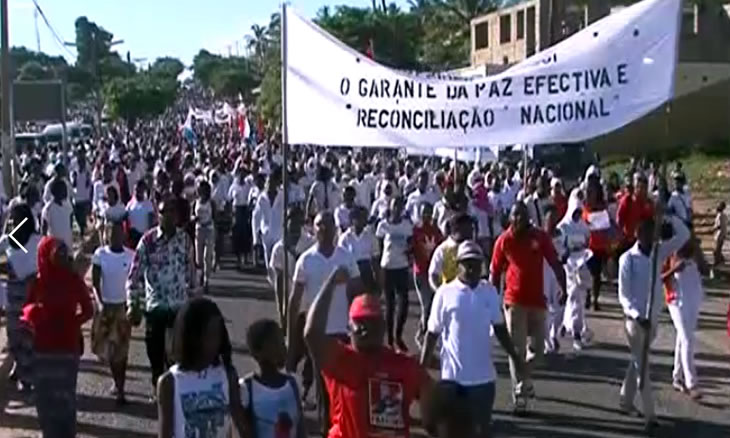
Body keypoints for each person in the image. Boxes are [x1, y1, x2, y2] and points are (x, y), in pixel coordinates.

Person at [304, 269, 433, 438]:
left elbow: (436, 405)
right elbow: (312, 334)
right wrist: (331, 284)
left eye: (372, 321)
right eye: (359, 322)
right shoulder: (340, 360)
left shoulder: (405, 365)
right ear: (348, 328)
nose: (366, 328)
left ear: (383, 327)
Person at [421, 241, 524, 438]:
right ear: (458, 264)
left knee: (481, 431)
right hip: (452, 381)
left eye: (476, 264)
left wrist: (515, 357)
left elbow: (500, 328)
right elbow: (432, 334)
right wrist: (420, 369)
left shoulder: (489, 292)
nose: (471, 268)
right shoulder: (445, 293)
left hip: (483, 381)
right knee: (452, 432)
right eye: (466, 263)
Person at [490, 202, 566, 415]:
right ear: (510, 218)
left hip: (537, 302)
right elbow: (495, 272)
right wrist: (491, 300)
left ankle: (526, 378)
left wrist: (563, 286)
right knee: (517, 351)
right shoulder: (504, 240)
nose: (519, 220)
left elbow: (554, 261)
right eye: (515, 216)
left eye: (523, 216)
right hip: (514, 302)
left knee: (539, 351)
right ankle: (519, 393)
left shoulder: (540, 237)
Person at [617, 209, 689, 435]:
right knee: (643, 366)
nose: (650, 237)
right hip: (635, 322)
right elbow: (623, 296)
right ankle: (651, 415)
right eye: (646, 233)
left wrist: (668, 216)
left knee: (638, 360)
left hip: (654, 319)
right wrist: (638, 315)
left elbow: (684, 235)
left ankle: (625, 401)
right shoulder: (627, 259)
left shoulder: (659, 251)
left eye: (653, 232)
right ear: (638, 235)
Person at [287, 211, 362, 419]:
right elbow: (295, 299)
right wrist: (291, 330)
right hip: (318, 333)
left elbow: (358, 287)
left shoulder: (345, 256)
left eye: (329, 225)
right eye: (320, 225)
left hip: (342, 330)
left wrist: (348, 281)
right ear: (314, 229)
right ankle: (326, 428)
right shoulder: (306, 260)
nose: (325, 229)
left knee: (344, 384)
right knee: (323, 388)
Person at [22, 236, 94, 437]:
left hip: (67, 348)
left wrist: (70, 322)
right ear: (46, 255)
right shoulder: (37, 282)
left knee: (65, 400)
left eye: (64, 251)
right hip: (43, 350)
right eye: (58, 252)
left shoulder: (73, 280)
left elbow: (89, 310)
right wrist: (37, 316)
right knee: (45, 401)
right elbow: (25, 312)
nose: (63, 255)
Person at [127, 197, 197, 395]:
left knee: (179, 355)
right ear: (158, 215)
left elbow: (191, 270)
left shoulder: (184, 240)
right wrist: (134, 303)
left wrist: (194, 298)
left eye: (172, 212)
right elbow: (134, 275)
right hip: (156, 306)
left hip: (179, 306)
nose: (169, 217)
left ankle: (178, 390)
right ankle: (157, 387)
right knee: (155, 354)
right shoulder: (148, 241)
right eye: (164, 212)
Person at [157, 297, 246, 438]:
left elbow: (239, 425)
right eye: (209, 335)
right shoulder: (170, 382)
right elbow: (165, 433)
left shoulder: (228, 375)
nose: (215, 342)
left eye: (218, 335)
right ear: (191, 337)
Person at [90, 221, 135, 405]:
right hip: (105, 308)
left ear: (123, 235)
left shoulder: (131, 256)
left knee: (121, 351)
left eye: (117, 233)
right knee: (107, 350)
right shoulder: (100, 255)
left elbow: (134, 283)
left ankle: (121, 388)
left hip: (122, 308)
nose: (114, 237)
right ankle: (117, 383)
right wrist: (99, 303)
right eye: (110, 233)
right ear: (106, 235)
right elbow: (95, 282)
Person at [241, 319, 306, 438]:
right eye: (276, 343)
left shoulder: (293, 384)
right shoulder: (247, 389)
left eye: (282, 341)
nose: (283, 347)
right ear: (258, 352)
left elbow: (300, 429)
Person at [0, 203, 41, 392]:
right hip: (13, 298)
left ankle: (27, 379)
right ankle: (21, 368)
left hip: (33, 298)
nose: (13, 222)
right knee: (14, 338)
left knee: (29, 339)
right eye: (12, 220)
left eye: (17, 219)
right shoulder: (6, 242)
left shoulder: (37, 240)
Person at [663, 238, 705, 400]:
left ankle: (677, 376)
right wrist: (673, 269)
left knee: (683, 338)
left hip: (693, 297)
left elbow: (706, 270)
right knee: (688, 338)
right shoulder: (668, 250)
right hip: (675, 300)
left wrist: (698, 253)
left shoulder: (694, 249)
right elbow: (659, 277)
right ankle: (691, 383)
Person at [375, 197, 414, 352]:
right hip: (387, 267)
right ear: (390, 208)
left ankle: (398, 335)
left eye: (400, 206)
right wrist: (378, 268)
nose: (397, 209)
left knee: (404, 303)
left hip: (402, 267)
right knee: (390, 305)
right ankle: (390, 339)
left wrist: (409, 250)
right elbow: (379, 248)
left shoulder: (406, 225)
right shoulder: (383, 225)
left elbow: (411, 244)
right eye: (395, 206)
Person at [557, 198, 594, 352]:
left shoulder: (583, 226)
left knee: (579, 297)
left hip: (581, 264)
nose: (577, 215)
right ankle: (576, 332)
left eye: (580, 212)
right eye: (575, 212)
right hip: (569, 267)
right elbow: (560, 247)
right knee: (573, 296)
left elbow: (586, 241)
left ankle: (567, 324)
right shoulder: (563, 227)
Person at [411, 203, 443, 348]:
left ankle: (421, 332)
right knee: (427, 305)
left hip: (434, 273)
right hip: (420, 273)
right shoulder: (415, 231)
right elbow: (410, 248)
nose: (427, 216)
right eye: (424, 213)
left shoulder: (436, 231)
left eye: (429, 213)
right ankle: (423, 338)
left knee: (431, 305)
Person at [269, 207, 305, 328]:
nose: (296, 226)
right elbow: (279, 284)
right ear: (285, 223)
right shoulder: (279, 249)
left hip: (308, 302)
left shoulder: (310, 244)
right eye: (292, 221)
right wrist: (282, 312)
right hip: (290, 301)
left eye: (299, 222)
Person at [582, 176, 611, 311]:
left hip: (599, 245)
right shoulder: (583, 206)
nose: (590, 194)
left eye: (592, 191)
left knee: (596, 275)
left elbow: (606, 226)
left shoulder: (602, 207)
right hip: (587, 245)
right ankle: (588, 296)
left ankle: (595, 299)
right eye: (589, 191)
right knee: (587, 274)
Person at [338, 206, 379, 293]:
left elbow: (375, 260)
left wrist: (378, 280)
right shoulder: (345, 238)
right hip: (351, 273)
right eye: (360, 218)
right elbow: (340, 260)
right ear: (353, 219)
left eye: (365, 217)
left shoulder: (370, 236)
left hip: (367, 273)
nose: (364, 220)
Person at [429, 213, 473, 292]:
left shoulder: (472, 247)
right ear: (456, 230)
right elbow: (433, 275)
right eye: (468, 229)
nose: (471, 233)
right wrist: (440, 292)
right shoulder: (443, 250)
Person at [229, 168, 254, 269]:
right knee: (237, 235)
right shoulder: (233, 187)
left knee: (246, 234)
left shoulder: (248, 186)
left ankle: (246, 256)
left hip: (245, 209)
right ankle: (238, 258)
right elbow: (229, 199)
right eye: (240, 174)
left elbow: (251, 198)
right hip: (237, 210)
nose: (242, 176)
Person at [194, 180, 216, 292]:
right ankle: (201, 275)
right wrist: (194, 219)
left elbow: (214, 216)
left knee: (207, 256)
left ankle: (207, 279)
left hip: (209, 229)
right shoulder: (196, 202)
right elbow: (192, 215)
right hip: (199, 229)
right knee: (199, 257)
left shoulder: (211, 202)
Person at [126, 180, 156, 248]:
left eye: (139, 190)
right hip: (132, 236)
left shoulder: (148, 204)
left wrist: (149, 237)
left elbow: (150, 222)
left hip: (143, 236)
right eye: (136, 190)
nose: (137, 192)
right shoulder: (130, 204)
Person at [712, 201, 727, 271]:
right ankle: (721, 260)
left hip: (719, 234)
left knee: (716, 250)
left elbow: (719, 226)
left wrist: (713, 228)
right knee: (718, 249)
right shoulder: (724, 215)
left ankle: (717, 262)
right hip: (722, 234)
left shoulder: (720, 216)